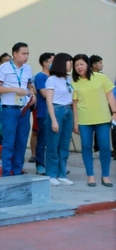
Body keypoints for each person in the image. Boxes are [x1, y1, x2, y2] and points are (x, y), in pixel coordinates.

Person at [0, 42, 35, 176]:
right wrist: (14, 89)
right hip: (9, 109)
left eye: (27, 54)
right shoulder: (4, 68)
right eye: (23, 54)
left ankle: (17, 171)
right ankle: (6, 173)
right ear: (15, 54)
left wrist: (32, 94)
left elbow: (29, 85)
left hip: (24, 109)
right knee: (9, 142)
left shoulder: (27, 68)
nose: (26, 57)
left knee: (21, 142)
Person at [71, 54, 115, 187]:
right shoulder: (74, 82)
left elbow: (110, 96)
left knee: (105, 147)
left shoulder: (101, 77)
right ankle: (90, 175)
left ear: (88, 65)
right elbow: (74, 104)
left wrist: (114, 112)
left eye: (81, 64)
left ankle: (105, 175)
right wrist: (75, 123)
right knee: (86, 147)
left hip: (102, 118)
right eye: (76, 65)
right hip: (84, 120)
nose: (79, 67)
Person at [44, 53, 75, 186]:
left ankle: (61, 173)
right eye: (69, 62)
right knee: (53, 144)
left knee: (64, 144)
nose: (71, 64)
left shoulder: (67, 79)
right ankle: (51, 174)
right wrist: (54, 120)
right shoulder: (52, 79)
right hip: (57, 111)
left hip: (68, 111)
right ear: (62, 63)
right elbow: (49, 101)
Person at [29, 52, 54, 174]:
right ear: (45, 62)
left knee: (53, 142)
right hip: (44, 112)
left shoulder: (55, 76)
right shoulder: (40, 77)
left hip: (55, 113)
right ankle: (40, 165)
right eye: (52, 61)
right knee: (42, 141)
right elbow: (44, 94)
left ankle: (53, 166)